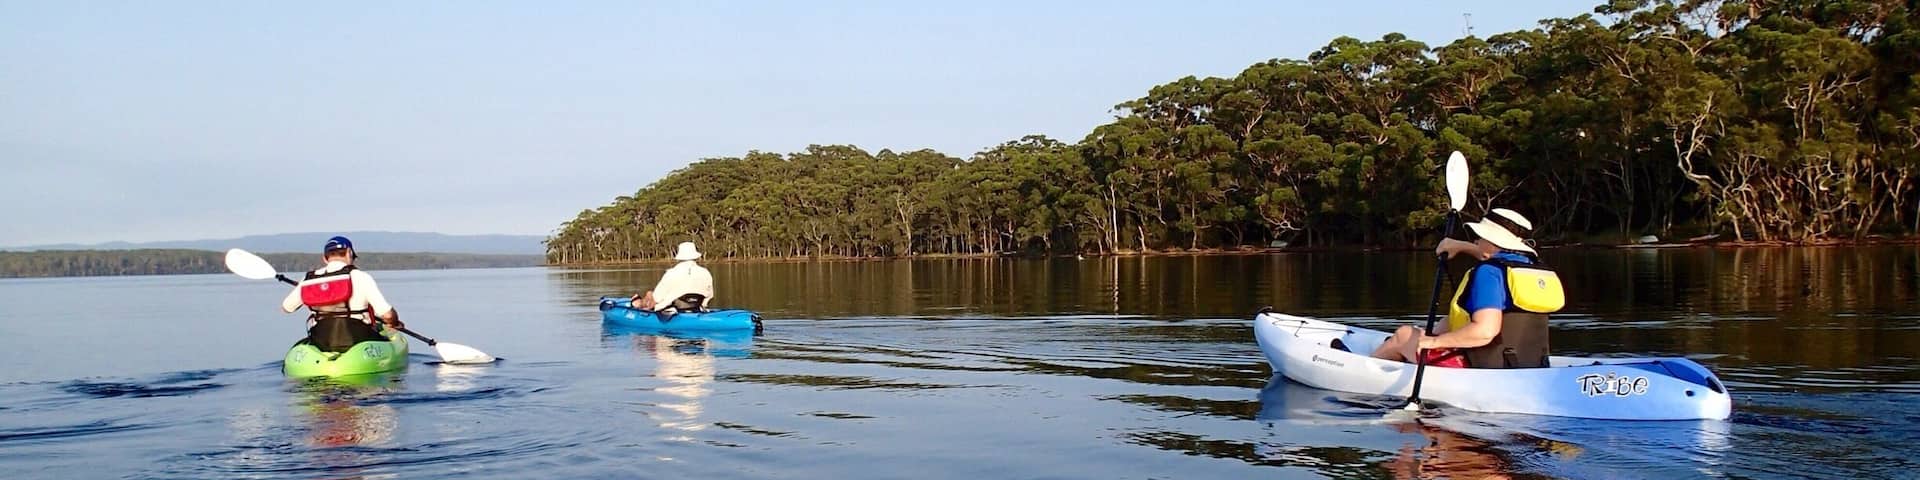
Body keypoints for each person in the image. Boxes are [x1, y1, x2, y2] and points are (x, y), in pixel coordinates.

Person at [1368, 208, 1564, 369]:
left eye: (1479, 236)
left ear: (1493, 241)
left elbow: (1485, 331)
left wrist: (1433, 343)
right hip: (1530, 365)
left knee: (1404, 335)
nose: (1476, 240)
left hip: (1482, 369)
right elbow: (1489, 253)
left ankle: (1368, 371)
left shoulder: (1489, 273)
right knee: (1448, 322)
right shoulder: (1534, 268)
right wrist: (1460, 246)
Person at [281, 236, 403, 352]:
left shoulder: (309, 279)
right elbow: (387, 314)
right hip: (358, 340)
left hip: (321, 341)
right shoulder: (361, 277)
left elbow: (286, 308)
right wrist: (394, 323)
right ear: (349, 253)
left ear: (325, 258)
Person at [631, 241, 716, 313]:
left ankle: (637, 303)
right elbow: (709, 295)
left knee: (650, 294)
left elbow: (657, 298)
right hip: (696, 308)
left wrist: (649, 300)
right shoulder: (705, 272)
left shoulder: (671, 273)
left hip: (674, 310)